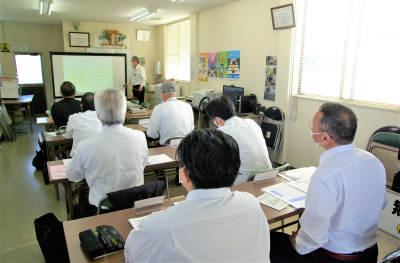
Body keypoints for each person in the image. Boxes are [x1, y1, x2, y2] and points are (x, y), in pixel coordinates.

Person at [124, 129, 271, 263]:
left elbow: (131, 255)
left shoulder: (153, 228)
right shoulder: (252, 204)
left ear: (185, 174)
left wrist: (166, 218)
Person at [270, 103, 387, 263]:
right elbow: (381, 203)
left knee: (272, 241)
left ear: (325, 137)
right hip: (370, 254)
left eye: (313, 125)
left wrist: (298, 243)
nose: (311, 129)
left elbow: (313, 236)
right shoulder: (374, 161)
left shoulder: (326, 174)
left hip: (333, 258)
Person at [65, 87, 148, 219]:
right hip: (134, 208)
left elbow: (73, 176)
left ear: (98, 115)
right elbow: (143, 166)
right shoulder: (140, 137)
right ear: (124, 112)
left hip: (102, 211)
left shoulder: (85, 146)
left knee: (75, 209)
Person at [205, 95, 272, 185]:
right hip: (270, 175)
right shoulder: (251, 122)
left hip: (248, 181)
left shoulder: (222, 133)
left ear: (217, 119)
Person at [146, 81, 194, 145]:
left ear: (163, 94)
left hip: (166, 148)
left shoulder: (159, 108)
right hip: (185, 148)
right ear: (176, 94)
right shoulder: (188, 106)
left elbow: (151, 134)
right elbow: (191, 130)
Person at [64, 92, 102, 157]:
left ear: (81, 106)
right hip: (98, 156)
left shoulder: (73, 118)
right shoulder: (102, 118)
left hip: (78, 157)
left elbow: (67, 136)